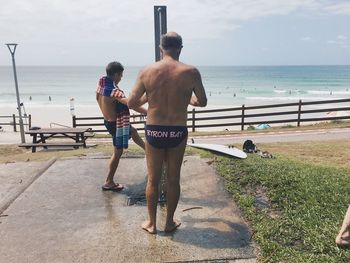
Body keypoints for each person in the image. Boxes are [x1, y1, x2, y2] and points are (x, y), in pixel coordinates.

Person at [128, 32, 207, 234]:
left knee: (153, 179)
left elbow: (132, 102)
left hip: (155, 130)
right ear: (180, 48)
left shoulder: (147, 71)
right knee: (173, 179)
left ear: (161, 48)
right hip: (177, 131)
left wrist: (151, 96)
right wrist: (188, 99)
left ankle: (152, 224)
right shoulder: (191, 72)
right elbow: (202, 102)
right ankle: (169, 222)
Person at [96, 61, 147, 191]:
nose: (121, 78)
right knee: (117, 153)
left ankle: (147, 150)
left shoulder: (101, 86)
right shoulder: (114, 91)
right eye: (120, 75)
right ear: (116, 74)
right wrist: (147, 98)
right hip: (116, 125)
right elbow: (130, 103)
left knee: (133, 131)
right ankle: (109, 181)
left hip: (108, 121)